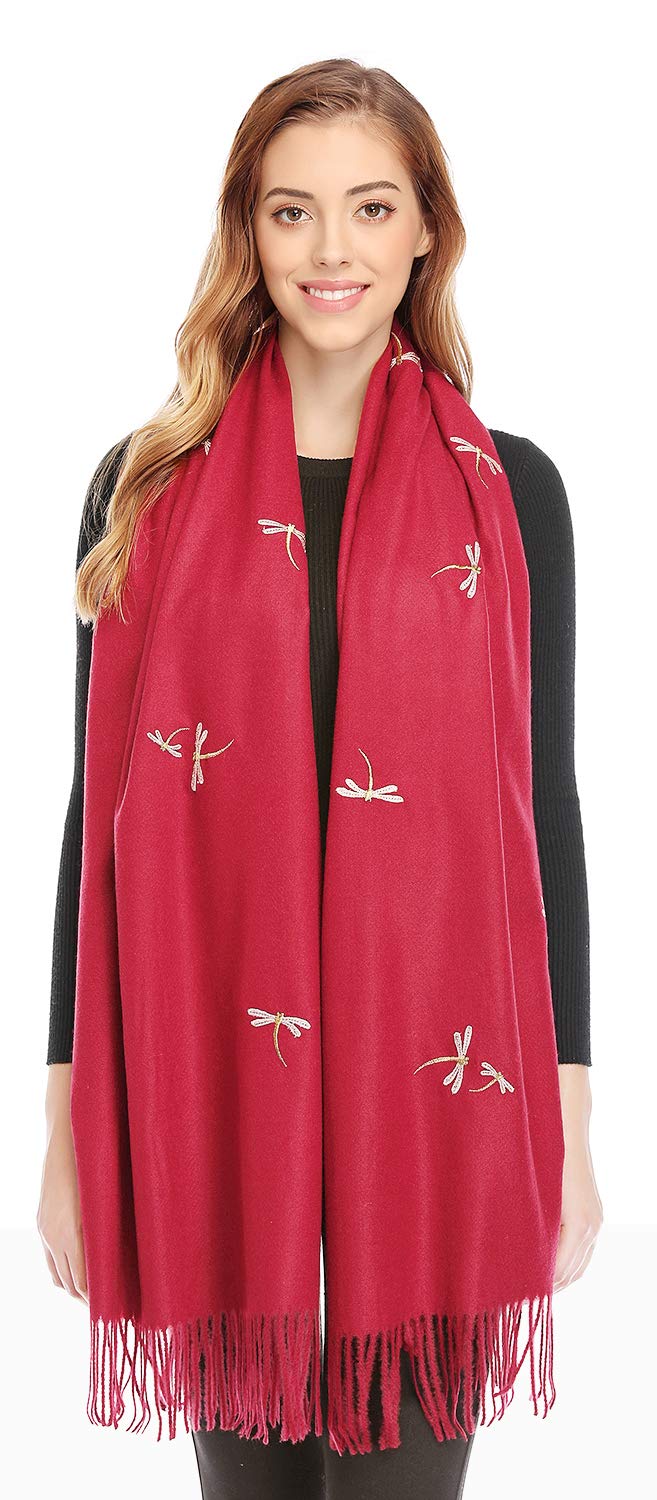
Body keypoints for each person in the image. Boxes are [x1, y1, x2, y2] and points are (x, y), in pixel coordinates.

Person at [37, 58, 603, 1500]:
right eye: (292, 211)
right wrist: (63, 1132)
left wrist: (571, 1122)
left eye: (371, 207)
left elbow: (543, 809)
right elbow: (92, 826)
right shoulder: (141, 487)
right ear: (248, 229)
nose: (331, 249)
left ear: (428, 231)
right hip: (214, 1093)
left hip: (443, 1098)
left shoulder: (510, 490)